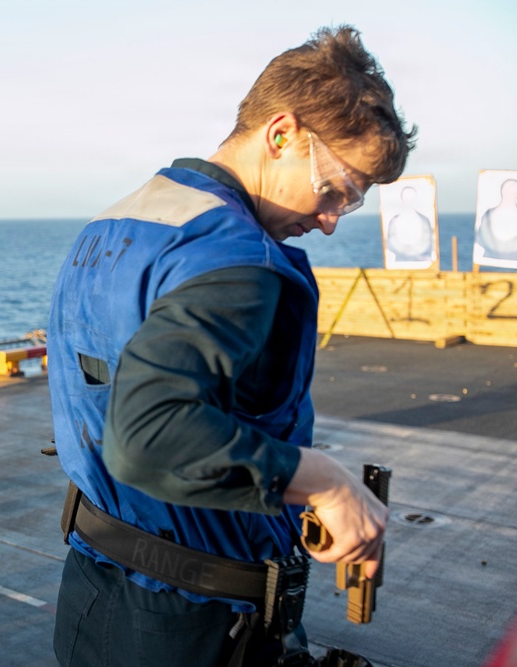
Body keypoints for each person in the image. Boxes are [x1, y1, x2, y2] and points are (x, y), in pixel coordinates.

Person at [47, 25, 416, 667]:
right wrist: (321, 481)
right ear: (282, 135)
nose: (329, 222)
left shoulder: (121, 220)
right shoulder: (237, 258)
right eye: (335, 189)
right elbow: (149, 434)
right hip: (194, 622)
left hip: (92, 590)